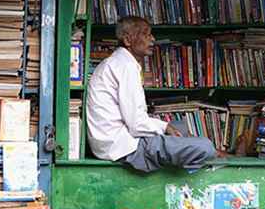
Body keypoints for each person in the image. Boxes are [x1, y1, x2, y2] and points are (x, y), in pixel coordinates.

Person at [86, 16, 223, 173]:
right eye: (146, 34)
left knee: (181, 127)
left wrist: (167, 128)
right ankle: (219, 156)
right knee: (205, 146)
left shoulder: (119, 62)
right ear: (128, 40)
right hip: (125, 148)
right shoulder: (125, 66)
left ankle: (216, 154)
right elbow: (137, 125)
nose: (152, 39)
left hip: (113, 142)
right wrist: (165, 127)